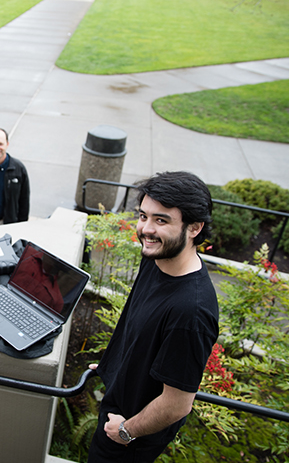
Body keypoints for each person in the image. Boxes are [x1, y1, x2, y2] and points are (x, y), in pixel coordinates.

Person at [88, 171, 219, 462]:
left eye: (161, 220)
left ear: (194, 227)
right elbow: (139, 328)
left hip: (129, 439)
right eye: (143, 216)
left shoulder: (191, 313)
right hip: (118, 408)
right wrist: (114, 366)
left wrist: (124, 431)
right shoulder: (158, 257)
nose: (146, 229)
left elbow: (177, 405)